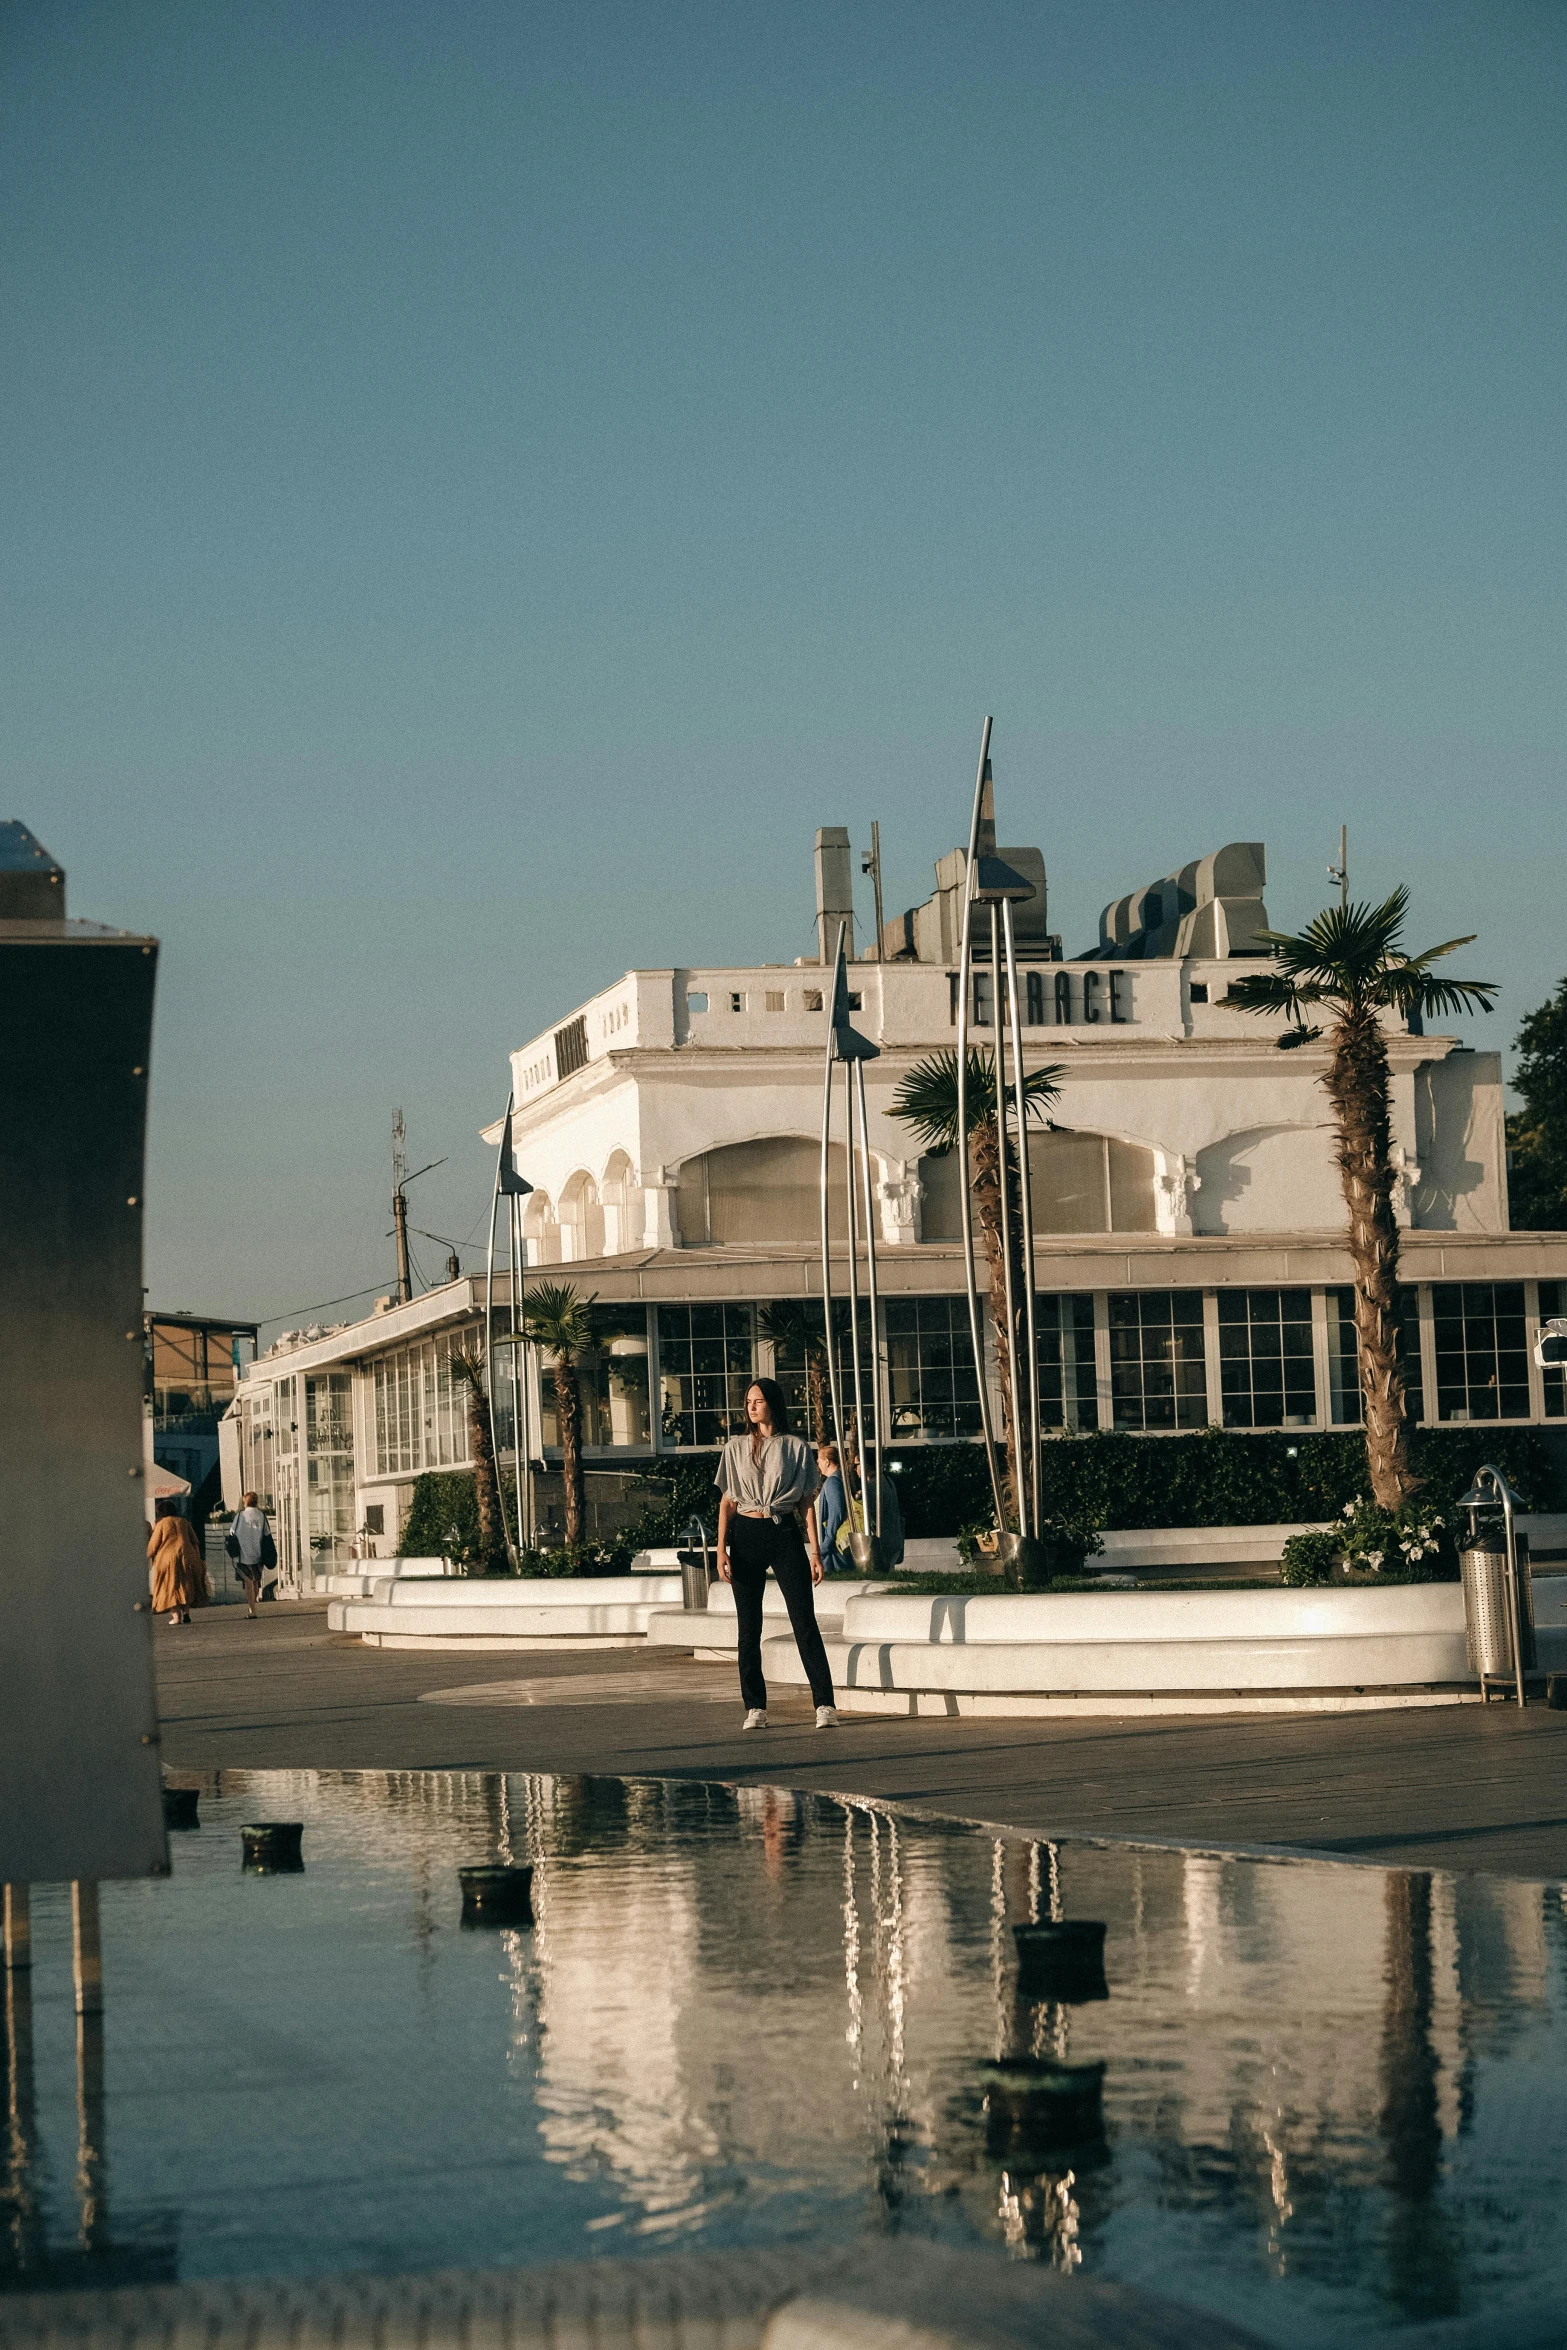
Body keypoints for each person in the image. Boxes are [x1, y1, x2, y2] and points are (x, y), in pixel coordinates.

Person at [715, 1379, 838, 1730]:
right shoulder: (735, 1447)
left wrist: (816, 1551)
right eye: (748, 1401)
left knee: (804, 1621)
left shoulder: (795, 1447)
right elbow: (726, 1502)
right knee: (748, 1627)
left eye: (759, 1401)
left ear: (774, 1405)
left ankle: (825, 1704)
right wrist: (721, 1549)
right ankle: (755, 1707)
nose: (752, 1407)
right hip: (746, 1534)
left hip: (782, 1532)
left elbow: (806, 1504)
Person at [147, 1500, 208, 1627]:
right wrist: (198, 1558)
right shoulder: (183, 1522)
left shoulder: (161, 1524)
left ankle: (176, 1617)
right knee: (185, 1585)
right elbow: (194, 1541)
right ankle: (186, 1613)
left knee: (170, 1587)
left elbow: (153, 1546)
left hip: (167, 1559)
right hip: (187, 1556)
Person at [227, 1490, 276, 1617]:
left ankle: (252, 1609)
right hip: (258, 1553)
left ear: (245, 1502)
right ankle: (253, 1604)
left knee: (248, 1582)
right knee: (255, 1580)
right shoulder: (261, 1515)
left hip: (242, 1554)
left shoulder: (239, 1516)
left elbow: (232, 1532)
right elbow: (267, 1534)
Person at [815, 1441, 847, 1561]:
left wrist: (827, 1543)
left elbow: (836, 1513)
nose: (818, 1464)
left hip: (834, 1548)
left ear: (827, 1462)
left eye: (819, 1461)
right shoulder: (840, 1479)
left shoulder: (832, 1482)